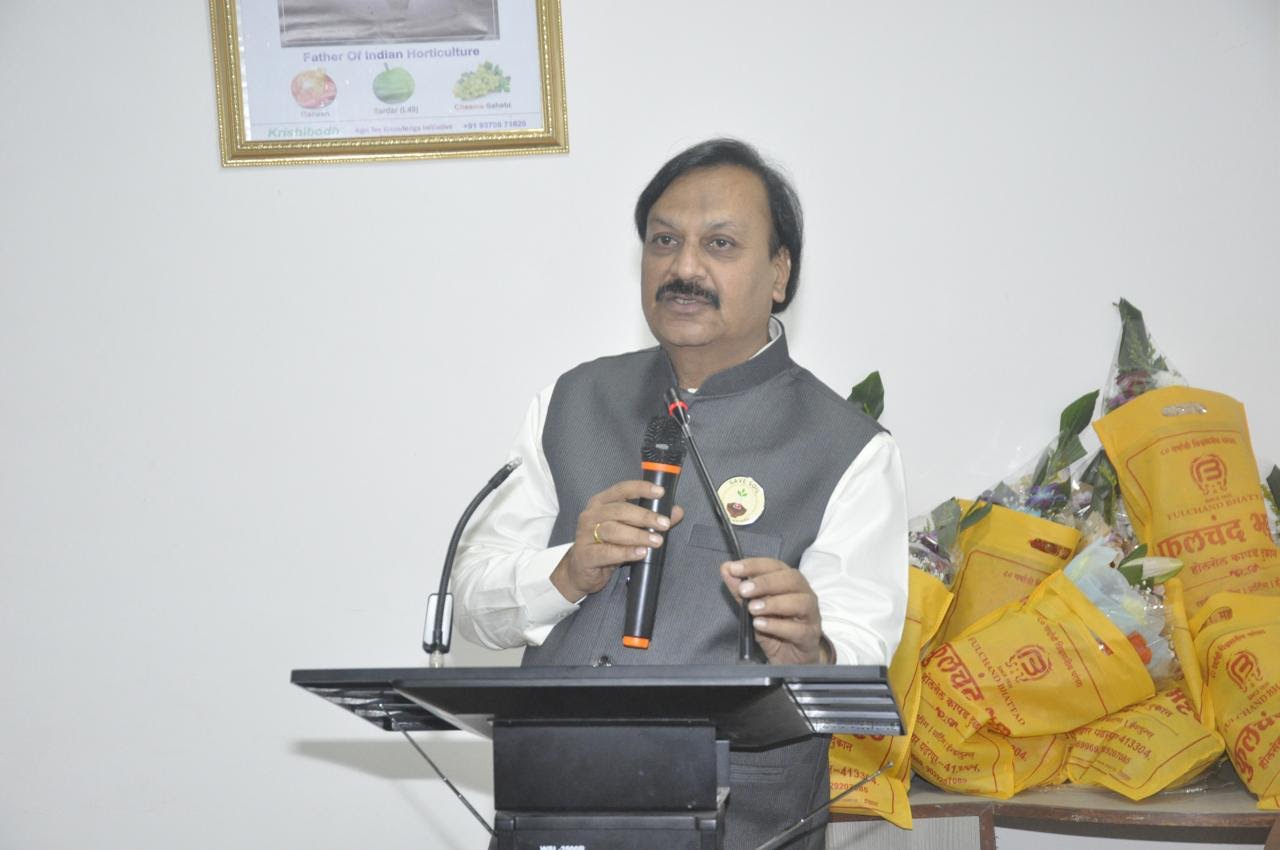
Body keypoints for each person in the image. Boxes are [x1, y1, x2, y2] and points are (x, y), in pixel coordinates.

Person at [453, 138, 908, 849]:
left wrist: (811, 651)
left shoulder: (849, 449)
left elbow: (859, 654)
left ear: (779, 272)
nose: (684, 268)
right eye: (664, 241)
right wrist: (566, 572)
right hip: (553, 811)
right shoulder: (570, 402)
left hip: (743, 827)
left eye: (720, 244)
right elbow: (472, 603)